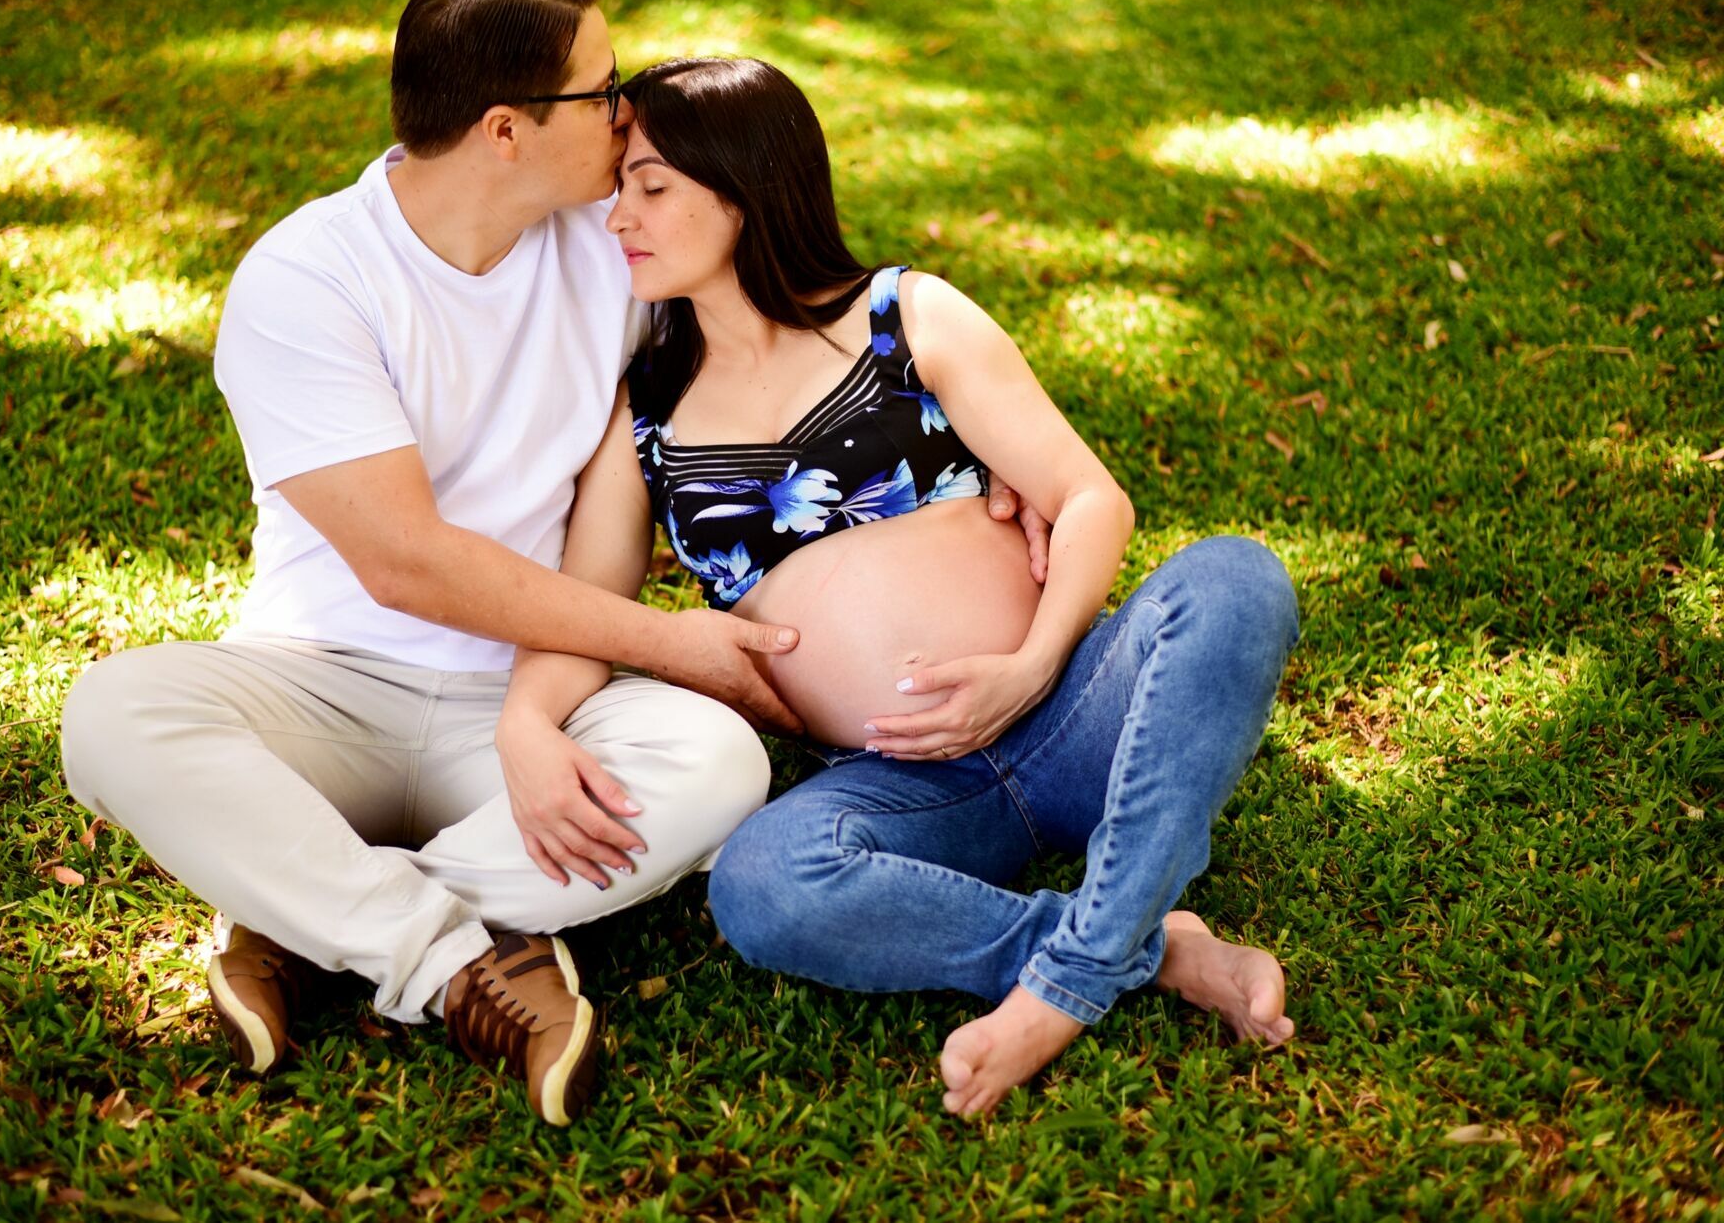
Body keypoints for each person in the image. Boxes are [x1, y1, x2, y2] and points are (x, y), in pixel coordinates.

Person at [56, 0, 811, 1128]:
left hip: (531, 697)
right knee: (114, 712)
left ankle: (308, 921)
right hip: (322, 684)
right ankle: (451, 956)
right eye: (604, 90)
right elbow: (403, 560)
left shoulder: (621, 253)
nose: (629, 117)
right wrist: (670, 642)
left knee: (718, 764)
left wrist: (977, 469)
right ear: (506, 128)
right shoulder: (308, 278)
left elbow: (797, 336)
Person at [502, 56, 1301, 1119]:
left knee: (1236, 579)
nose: (619, 220)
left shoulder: (902, 315)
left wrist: (1025, 670)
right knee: (762, 884)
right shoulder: (644, 413)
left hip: (1069, 710)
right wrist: (525, 720)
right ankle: (1140, 948)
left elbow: (1091, 499)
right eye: (619, 193)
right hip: (907, 786)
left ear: (743, 189)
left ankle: (1064, 984)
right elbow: (590, 607)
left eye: (651, 187)